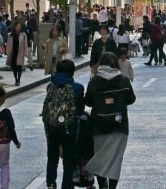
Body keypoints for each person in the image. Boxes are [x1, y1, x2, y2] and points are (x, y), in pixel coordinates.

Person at [84, 53, 135, 189]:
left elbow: (88, 102)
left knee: (100, 156)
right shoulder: (123, 80)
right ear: (115, 64)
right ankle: (112, 187)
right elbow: (131, 99)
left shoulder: (94, 81)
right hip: (119, 126)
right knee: (115, 159)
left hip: (98, 125)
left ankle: (102, 185)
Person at [42, 58, 84, 189]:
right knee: (69, 158)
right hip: (70, 127)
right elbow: (80, 108)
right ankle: (67, 185)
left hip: (52, 126)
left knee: (52, 156)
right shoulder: (77, 87)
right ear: (72, 72)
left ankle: (51, 183)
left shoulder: (50, 86)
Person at [6, 19, 30, 86]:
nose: (18, 28)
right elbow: (8, 44)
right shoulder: (10, 35)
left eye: (19, 26)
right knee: (14, 67)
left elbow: (25, 44)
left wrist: (26, 53)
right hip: (13, 53)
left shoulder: (23, 34)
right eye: (17, 26)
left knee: (19, 67)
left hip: (20, 52)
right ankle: (16, 79)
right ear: (14, 27)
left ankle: (18, 80)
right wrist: (7, 52)